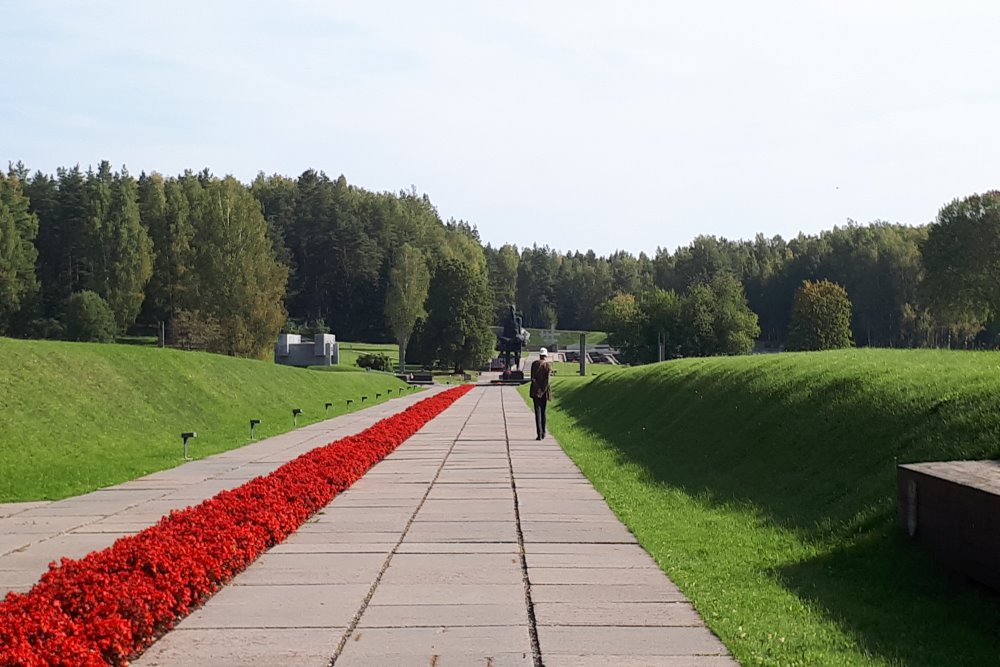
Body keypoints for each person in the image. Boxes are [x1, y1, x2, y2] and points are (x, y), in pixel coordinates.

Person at [530, 347, 552, 440]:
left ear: (539, 355)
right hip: (544, 392)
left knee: (537, 412)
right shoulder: (547, 365)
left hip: (535, 391)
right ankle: (543, 432)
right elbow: (547, 381)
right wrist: (542, 390)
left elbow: (532, 378)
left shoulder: (534, 364)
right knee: (543, 412)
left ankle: (539, 433)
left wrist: (538, 390)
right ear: (546, 356)